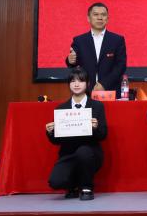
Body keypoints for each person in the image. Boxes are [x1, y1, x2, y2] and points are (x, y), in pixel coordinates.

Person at [45, 67, 107, 201]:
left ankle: (86, 187)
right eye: (73, 81)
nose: (76, 84)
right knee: (55, 182)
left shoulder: (97, 106)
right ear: (69, 84)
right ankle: (72, 185)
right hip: (69, 153)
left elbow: (103, 135)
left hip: (90, 153)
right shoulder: (61, 108)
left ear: (87, 84)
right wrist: (50, 132)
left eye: (80, 81)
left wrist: (95, 128)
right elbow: (57, 141)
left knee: (83, 152)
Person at [65, 2, 127, 96]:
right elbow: (73, 63)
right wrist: (70, 60)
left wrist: (104, 84)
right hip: (86, 92)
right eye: (96, 14)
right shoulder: (79, 40)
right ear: (88, 18)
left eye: (103, 15)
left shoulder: (117, 40)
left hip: (111, 91)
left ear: (107, 19)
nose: (100, 18)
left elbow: (121, 66)